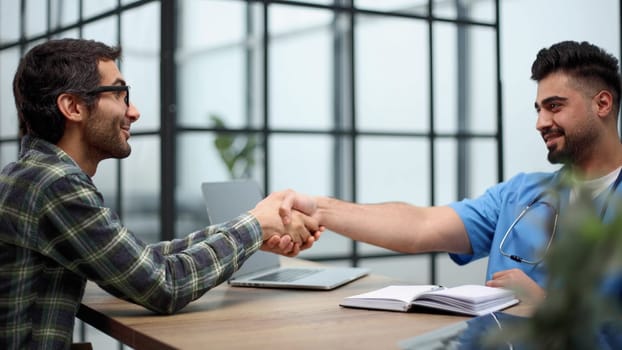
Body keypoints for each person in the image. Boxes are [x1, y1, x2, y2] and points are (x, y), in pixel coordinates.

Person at [0, 38, 320, 349]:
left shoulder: (30, 175)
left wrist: (251, 233)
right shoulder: (56, 184)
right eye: (120, 94)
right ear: (72, 107)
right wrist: (256, 224)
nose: (134, 111)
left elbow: (141, 260)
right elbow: (164, 285)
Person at [281, 40, 622, 304]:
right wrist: (320, 208)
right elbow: (420, 226)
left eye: (554, 106)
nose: (540, 123)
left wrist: (546, 307)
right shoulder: (521, 195)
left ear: (602, 104)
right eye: (538, 109)